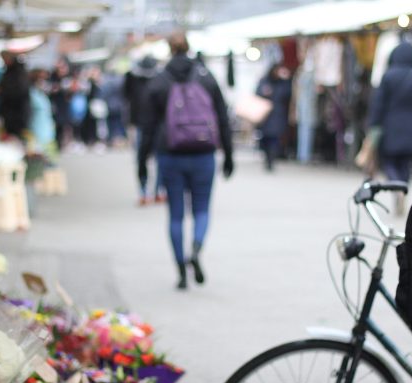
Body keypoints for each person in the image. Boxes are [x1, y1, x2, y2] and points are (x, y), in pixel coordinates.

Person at [140, 32, 234, 290]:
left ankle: (181, 269)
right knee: (202, 209)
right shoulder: (206, 77)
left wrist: (142, 163)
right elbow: (223, 118)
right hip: (203, 153)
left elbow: (146, 126)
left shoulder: (158, 81)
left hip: (170, 155)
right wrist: (229, 154)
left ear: (169, 50)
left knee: (176, 215)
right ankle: (197, 248)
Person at [367, 41, 412, 213]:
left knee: (389, 162)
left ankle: (395, 187)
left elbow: (378, 104)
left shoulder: (388, 76)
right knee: (406, 164)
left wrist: (373, 123)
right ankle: (402, 188)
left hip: (391, 124)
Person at [125, 56, 165, 204]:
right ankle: (148, 190)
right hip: (143, 124)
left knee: (155, 158)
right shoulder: (133, 78)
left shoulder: (159, 79)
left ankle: (157, 189)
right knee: (145, 158)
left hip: (152, 124)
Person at [256, 65, 293, 172]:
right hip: (265, 114)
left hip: (277, 114)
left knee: (274, 138)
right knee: (266, 138)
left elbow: (287, 94)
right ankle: (267, 158)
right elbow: (258, 93)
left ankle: (271, 160)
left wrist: (286, 79)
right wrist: (264, 92)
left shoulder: (283, 83)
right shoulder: (264, 81)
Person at [0, 51, 31, 141]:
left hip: (17, 113)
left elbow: (19, 91)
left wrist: (1, 90)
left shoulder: (19, 72)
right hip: (11, 112)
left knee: (16, 138)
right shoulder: (9, 71)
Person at [28, 69, 57, 157]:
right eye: (42, 79)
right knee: (38, 151)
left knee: (46, 150)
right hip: (37, 127)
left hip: (46, 127)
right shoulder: (32, 93)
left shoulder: (42, 93)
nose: (44, 82)